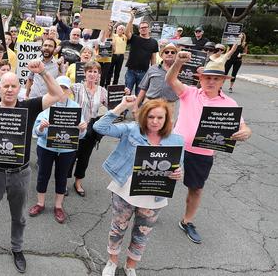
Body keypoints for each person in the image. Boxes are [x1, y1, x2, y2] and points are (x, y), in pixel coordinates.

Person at [0, 62, 64, 273]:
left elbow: (58, 94)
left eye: (14, 86)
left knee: (19, 216)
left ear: (19, 89)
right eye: (6, 86)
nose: (10, 90)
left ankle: (17, 249)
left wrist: (42, 72)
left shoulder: (28, 107)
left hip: (19, 173)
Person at [166, 53, 252, 244]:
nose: (211, 81)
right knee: (159, 180)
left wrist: (246, 132)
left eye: (216, 78)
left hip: (202, 153)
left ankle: (187, 221)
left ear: (222, 81)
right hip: (176, 147)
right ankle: (148, 212)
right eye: (208, 77)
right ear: (201, 79)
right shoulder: (189, 93)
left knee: (195, 189)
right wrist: (178, 62)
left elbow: (243, 126)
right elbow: (170, 79)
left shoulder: (229, 104)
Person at [94, 97, 184, 276]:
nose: (155, 121)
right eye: (151, 117)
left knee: (142, 233)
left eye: (160, 118)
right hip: (125, 190)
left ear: (167, 119)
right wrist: (122, 106)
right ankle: (112, 262)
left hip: (154, 194)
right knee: (118, 228)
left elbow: (178, 166)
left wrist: (178, 173)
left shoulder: (176, 140)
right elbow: (99, 127)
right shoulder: (132, 130)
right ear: (144, 116)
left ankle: (131, 266)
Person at [29, 76, 87, 223]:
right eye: (58, 87)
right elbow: (35, 132)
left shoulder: (75, 108)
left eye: (64, 88)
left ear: (69, 91)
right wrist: (41, 127)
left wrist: (82, 129)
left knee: (62, 178)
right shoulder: (45, 106)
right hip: (46, 147)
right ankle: (40, 203)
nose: (61, 91)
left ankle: (58, 206)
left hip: (67, 150)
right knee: (43, 175)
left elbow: (81, 135)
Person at [68, 61, 110, 197]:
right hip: (75, 128)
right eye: (90, 71)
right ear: (85, 73)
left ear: (99, 74)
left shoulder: (103, 91)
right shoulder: (76, 87)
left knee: (84, 158)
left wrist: (123, 93)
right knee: (69, 156)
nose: (92, 74)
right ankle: (63, 182)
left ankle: (78, 182)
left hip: (92, 130)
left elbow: (113, 107)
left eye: (95, 71)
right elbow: (60, 90)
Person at [133, 43, 180, 114]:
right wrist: (136, 105)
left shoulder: (181, 71)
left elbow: (192, 89)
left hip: (170, 105)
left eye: (173, 52)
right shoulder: (152, 68)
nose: (169, 54)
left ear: (176, 56)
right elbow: (143, 88)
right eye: (166, 52)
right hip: (150, 103)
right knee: (144, 124)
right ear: (161, 55)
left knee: (168, 125)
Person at [123, 14, 158, 96]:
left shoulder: (154, 42)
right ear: (139, 30)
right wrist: (131, 19)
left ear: (149, 29)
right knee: (126, 93)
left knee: (139, 95)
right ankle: (125, 108)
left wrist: (154, 72)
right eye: (141, 28)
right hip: (131, 71)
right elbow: (126, 32)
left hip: (144, 73)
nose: (143, 29)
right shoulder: (134, 38)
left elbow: (153, 59)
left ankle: (138, 109)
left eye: (145, 27)